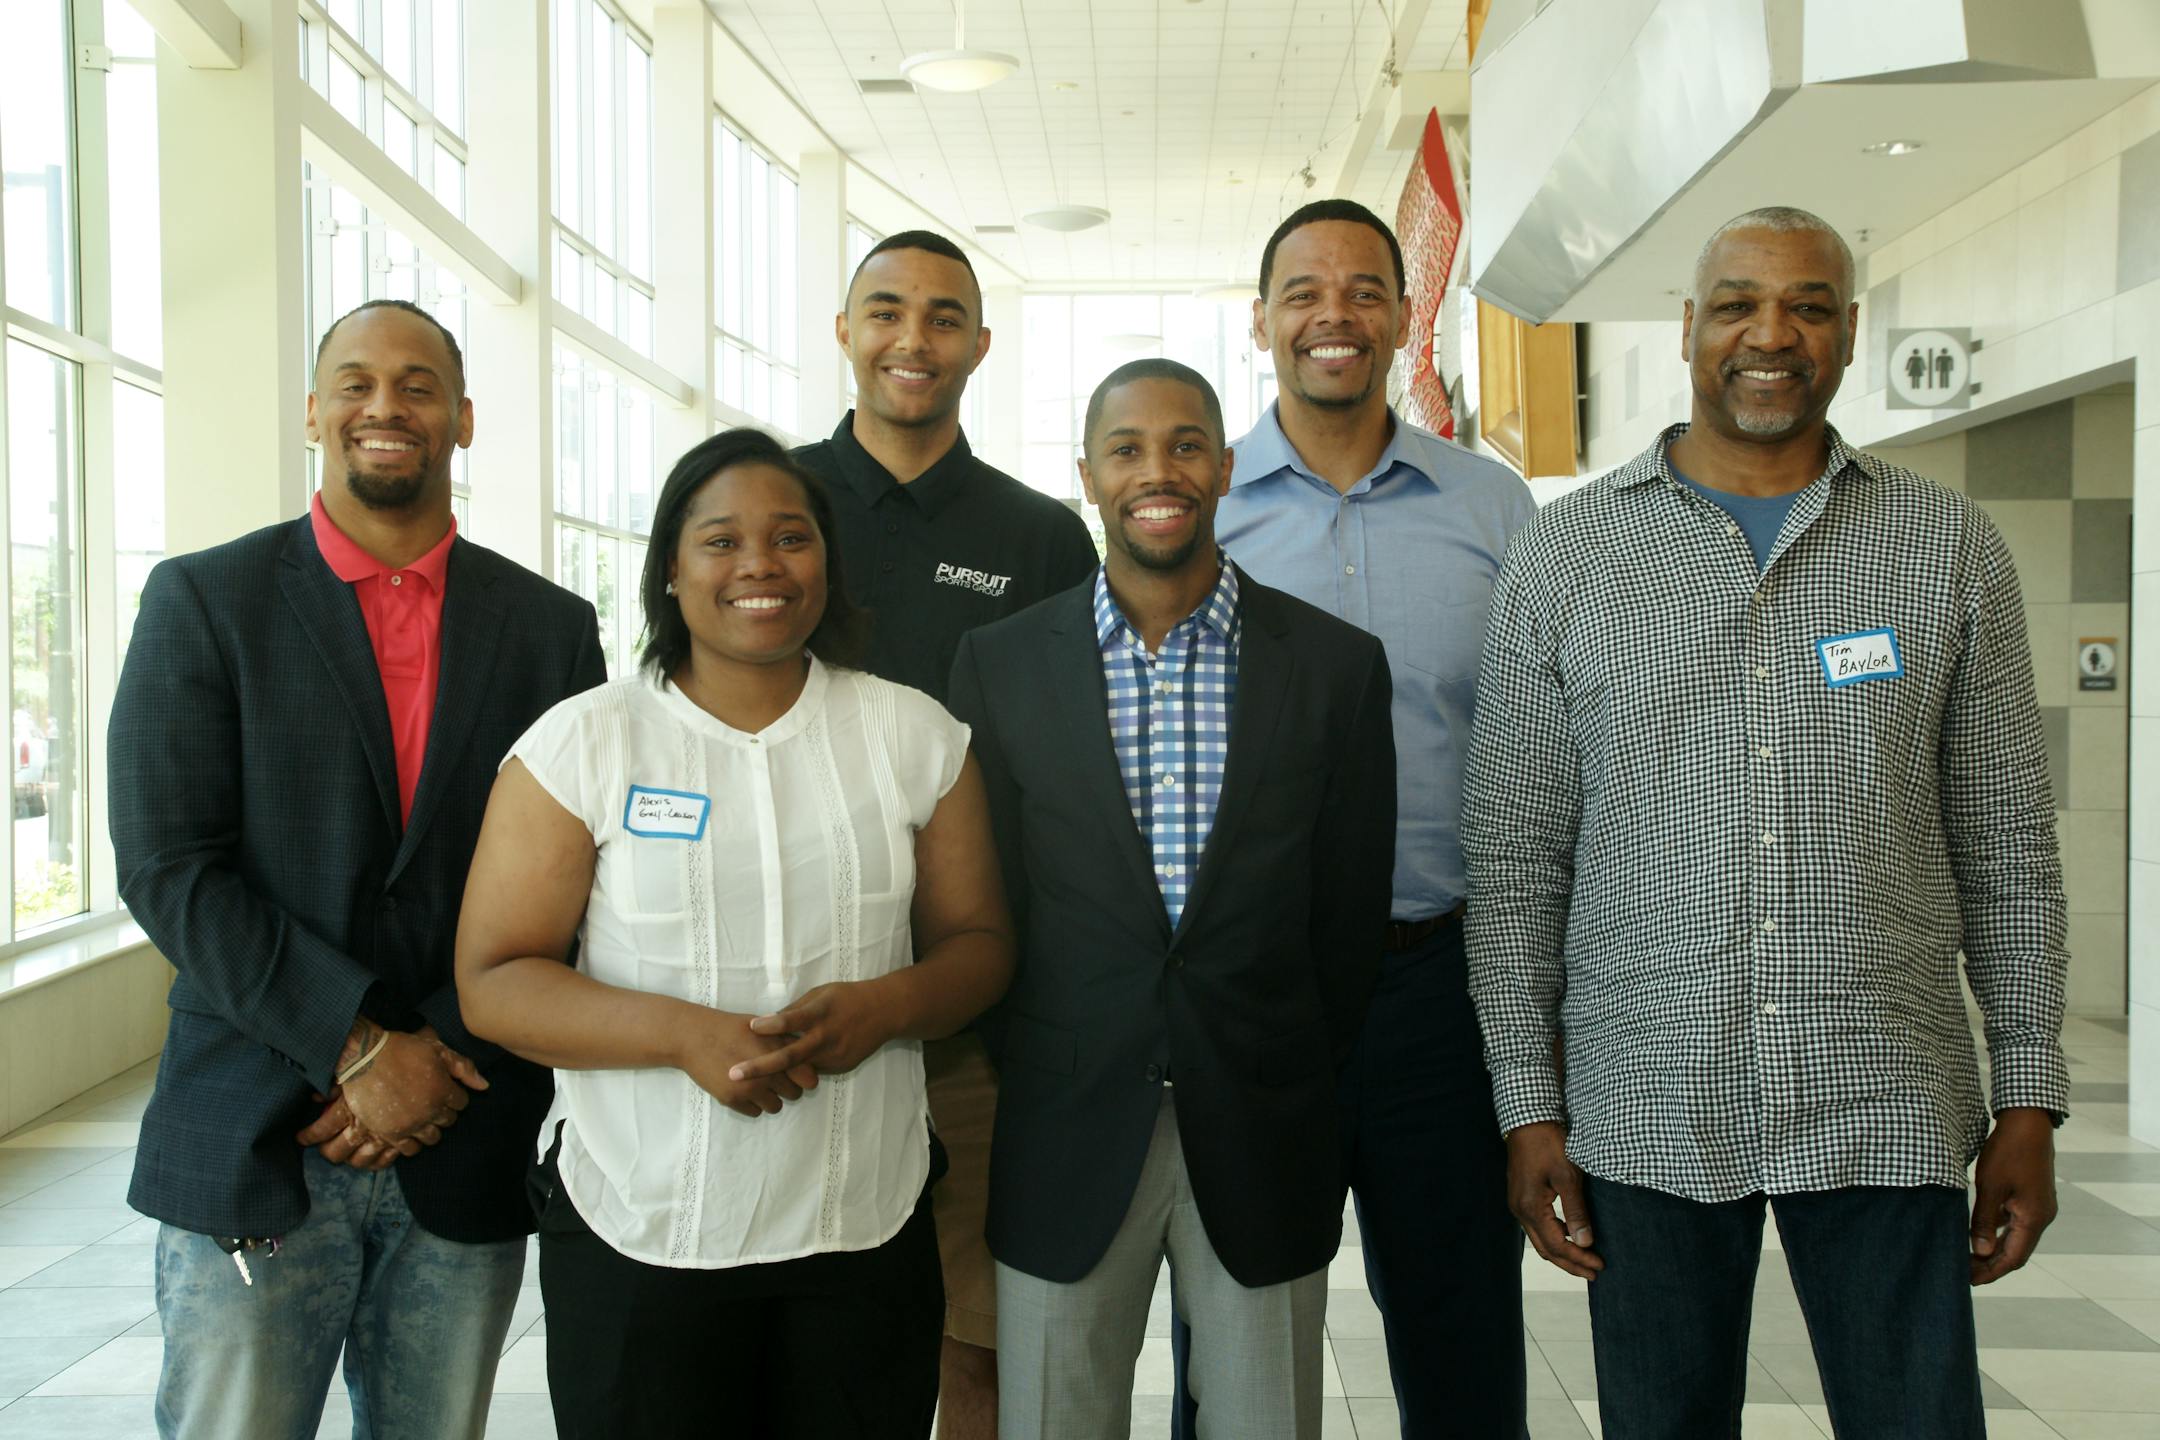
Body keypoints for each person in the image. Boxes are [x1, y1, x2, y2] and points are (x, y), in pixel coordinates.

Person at [1463, 206, 2066, 1439]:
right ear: (1689, 328)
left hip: (1887, 1096)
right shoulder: (1569, 557)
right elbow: (1519, 859)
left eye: (1808, 307)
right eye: (1738, 303)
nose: (1770, 334)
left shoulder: (1944, 545)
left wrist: (2029, 1102)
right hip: (1649, 1100)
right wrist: (1528, 1107)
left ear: (1848, 333)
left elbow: (2009, 842)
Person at [109, 299, 607, 1439]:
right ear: (315, 413)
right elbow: (168, 865)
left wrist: (432, 1061)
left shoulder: (548, 631)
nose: (386, 405)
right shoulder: (203, 601)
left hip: (464, 1128)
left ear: (463, 419)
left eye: (419, 384)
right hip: (254, 1125)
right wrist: (358, 1047)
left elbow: (575, 883)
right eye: (357, 381)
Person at [454, 427, 1014, 1440]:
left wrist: (887, 1007)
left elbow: (978, 944)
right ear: (670, 568)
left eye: (790, 537)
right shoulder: (584, 743)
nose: (759, 563)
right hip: (642, 1233)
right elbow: (495, 979)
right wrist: (683, 1035)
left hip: (861, 1230)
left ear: (826, 563)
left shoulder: (912, 735)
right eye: (720, 540)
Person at [949, 359, 1396, 1440]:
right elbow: (985, 901)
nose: (1161, 470)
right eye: (1128, 449)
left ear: (1226, 466)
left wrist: (1278, 1050)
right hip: (1064, 1117)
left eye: (1187, 444)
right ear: (1089, 478)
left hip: (1262, 1118)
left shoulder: (1336, 667)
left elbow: (1347, 918)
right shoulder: (1001, 664)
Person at [1170, 197, 1535, 1440]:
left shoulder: (1494, 511)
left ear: (1401, 314)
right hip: (1254, 997)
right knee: (1231, 1344)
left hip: (1437, 986)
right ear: (1262, 320)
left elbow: (1541, 753)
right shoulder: (1200, 514)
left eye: (1364, 288)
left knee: (1461, 1330)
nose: (1335, 313)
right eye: (1304, 291)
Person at [796, 227, 1098, 1439]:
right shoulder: (775, 504)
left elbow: (1082, 775)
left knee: (979, 1343)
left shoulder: (1039, 539)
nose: (910, 339)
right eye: (884, 310)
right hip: (801, 1001)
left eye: (941, 316)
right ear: (844, 330)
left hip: (980, 1021)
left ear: (979, 342)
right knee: (827, 1350)